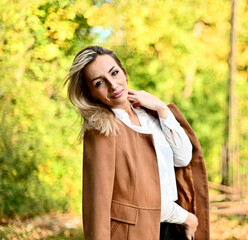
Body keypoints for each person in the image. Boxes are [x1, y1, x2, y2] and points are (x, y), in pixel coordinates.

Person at [65, 46, 209, 240]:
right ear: (91, 93)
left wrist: (161, 109)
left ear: (124, 73)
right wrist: (186, 217)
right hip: (135, 232)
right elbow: (100, 204)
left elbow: (183, 158)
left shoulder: (150, 115)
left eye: (114, 73)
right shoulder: (101, 130)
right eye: (99, 83)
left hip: (172, 229)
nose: (113, 85)